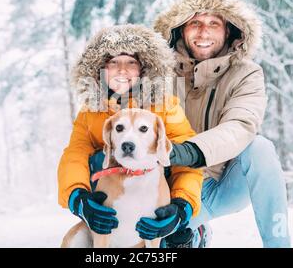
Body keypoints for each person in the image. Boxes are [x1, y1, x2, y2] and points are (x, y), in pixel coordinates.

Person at [153, 0, 291, 248]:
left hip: (220, 185)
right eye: (195, 22)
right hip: (170, 190)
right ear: (181, 28)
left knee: (261, 148)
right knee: (152, 242)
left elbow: (240, 125)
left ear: (229, 29)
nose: (203, 32)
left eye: (213, 23)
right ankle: (194, 232)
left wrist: (188, 151)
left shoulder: (247, 74)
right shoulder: (158, 74)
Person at [57, 24, 205, 247]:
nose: (122, 70)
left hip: (154, 194)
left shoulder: (165, 106)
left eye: (131, 63)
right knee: (99, 157)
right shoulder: (90, 112)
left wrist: (182, 206)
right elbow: (74, 156)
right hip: (109, 192)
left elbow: (187, 162)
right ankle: (107, 228)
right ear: (101, 69)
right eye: (113, 62)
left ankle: (188, 231)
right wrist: (77, 198)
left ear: (144, 68)